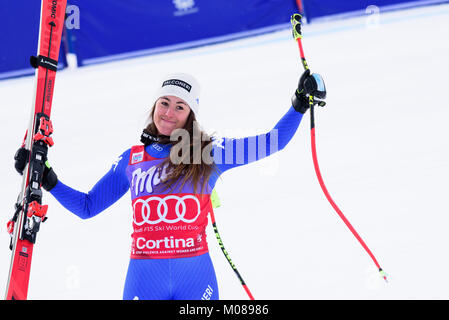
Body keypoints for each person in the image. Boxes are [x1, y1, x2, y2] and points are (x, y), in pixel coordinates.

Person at [14, 70, 326, 300]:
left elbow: (272, 142)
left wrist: (299, 104)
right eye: (165, 102)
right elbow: (87, 206)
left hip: (196, 276)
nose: (169, 113)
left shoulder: (208, 152)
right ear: (154, 106)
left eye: (180, 106)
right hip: (144, 278)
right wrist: (50, 179)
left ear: (190, 115)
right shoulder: (132, 159)